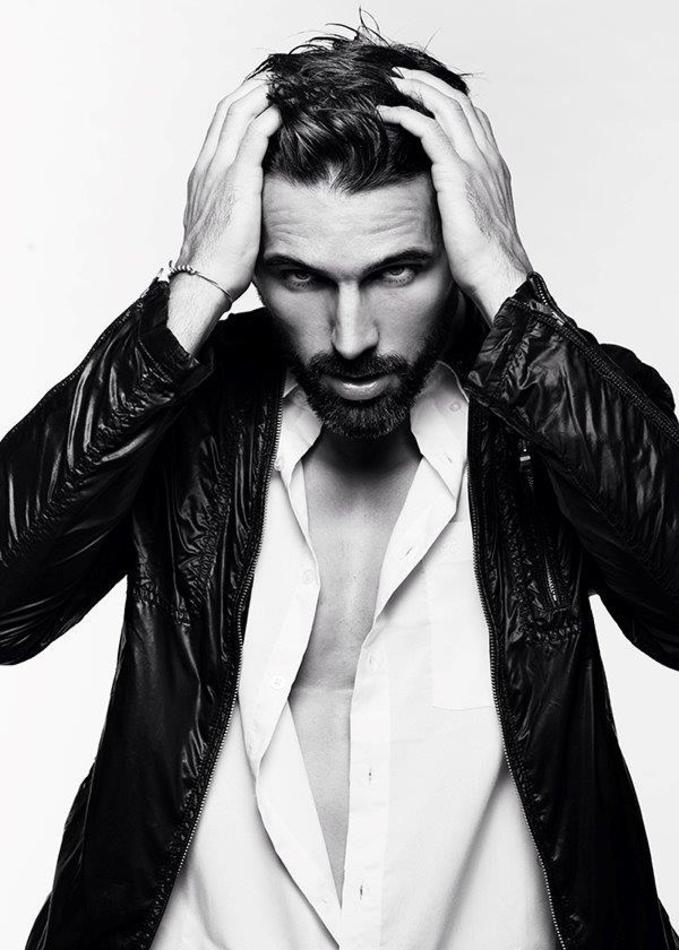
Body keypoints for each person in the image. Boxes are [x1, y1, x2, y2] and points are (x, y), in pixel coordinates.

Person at [1, 16, 678, 950]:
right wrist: (190, 291)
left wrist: (509, 285)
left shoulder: (560, 407)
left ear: (457, 246)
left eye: (398, 271)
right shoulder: (179, 409)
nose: (351, 336)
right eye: (298, 277)